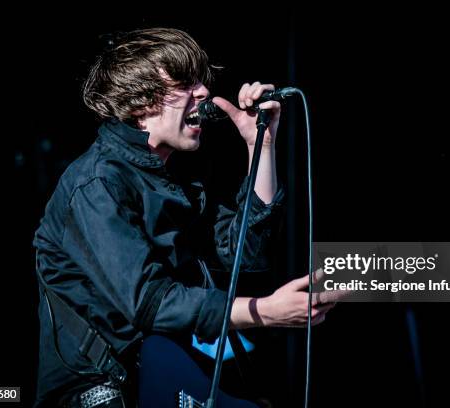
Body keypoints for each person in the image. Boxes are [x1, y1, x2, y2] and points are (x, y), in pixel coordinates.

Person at [33, 27, 333, 407]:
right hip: (97, 390)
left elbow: (244, 253)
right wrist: (262, 312)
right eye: (185, 83)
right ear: (140, 100)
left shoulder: (175, 181)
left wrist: (262, 145)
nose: (204, 92)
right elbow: (151, 303)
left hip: (164, 373)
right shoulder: (97, 184)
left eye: (200, 82)